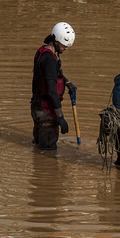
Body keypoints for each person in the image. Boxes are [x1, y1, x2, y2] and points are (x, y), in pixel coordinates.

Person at [30, 22, 77, 150]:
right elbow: (51, 91)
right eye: (64, 45)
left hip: (37, 107)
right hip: (46, 111)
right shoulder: (49, 59)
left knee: (39, 147)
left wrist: (67, 83)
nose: (66, 48)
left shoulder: (43, 51)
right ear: (56, 40)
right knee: (48, 153)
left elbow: (54, 73)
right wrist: (61, 117)